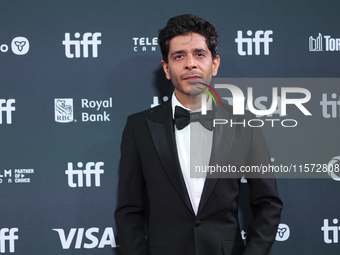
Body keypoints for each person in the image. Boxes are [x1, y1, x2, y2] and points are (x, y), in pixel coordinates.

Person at [115, 14, 283, 255]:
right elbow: (128, 211)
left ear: (214, 64)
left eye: (199, 54)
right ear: (166, 68)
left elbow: (268, 203)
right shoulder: (138, 126)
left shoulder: (244, 123)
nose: (190, 64)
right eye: (179, 56)